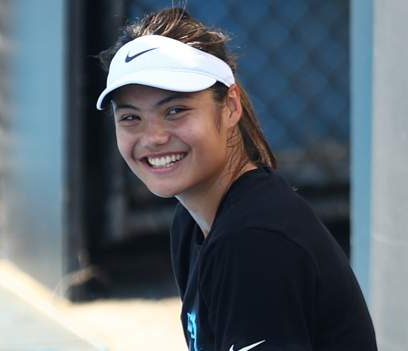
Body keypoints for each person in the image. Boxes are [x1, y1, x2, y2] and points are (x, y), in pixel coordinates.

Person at [96, 8, 377, 351]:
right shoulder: (190, 223)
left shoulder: (254, 243)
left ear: (230, 107)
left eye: (175, 110)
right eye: (130, 117)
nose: (153, 137)